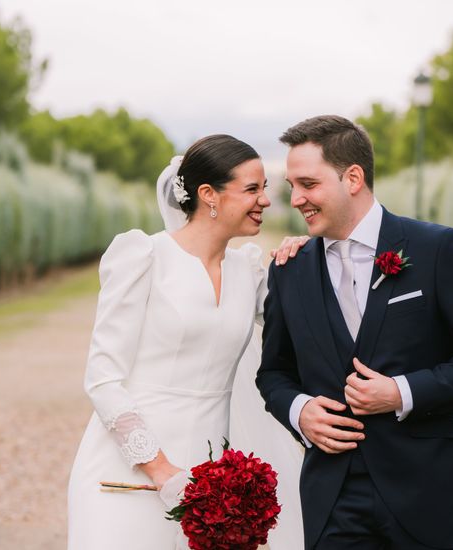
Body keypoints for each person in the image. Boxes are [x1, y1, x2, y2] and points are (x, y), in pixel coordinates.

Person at [256, 115, 453, 549]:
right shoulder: (290, 270)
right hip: (334, 492)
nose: (296, 198)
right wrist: (300, 411)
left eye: (308, 184)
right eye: (292, 186)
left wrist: (402, 392)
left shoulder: (436, 249)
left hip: (425, 487)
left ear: (352, 178)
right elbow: (273, 374)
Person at [67, 134, 304, 549]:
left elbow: (300, 327)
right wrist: (162, 471)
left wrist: (306, 260)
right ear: (208, 195)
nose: (265, 200)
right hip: (128, 473)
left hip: (214, 480)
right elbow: (103, 380)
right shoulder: (144, 258)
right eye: (252, 189)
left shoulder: (248, 271)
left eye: (265, 188)